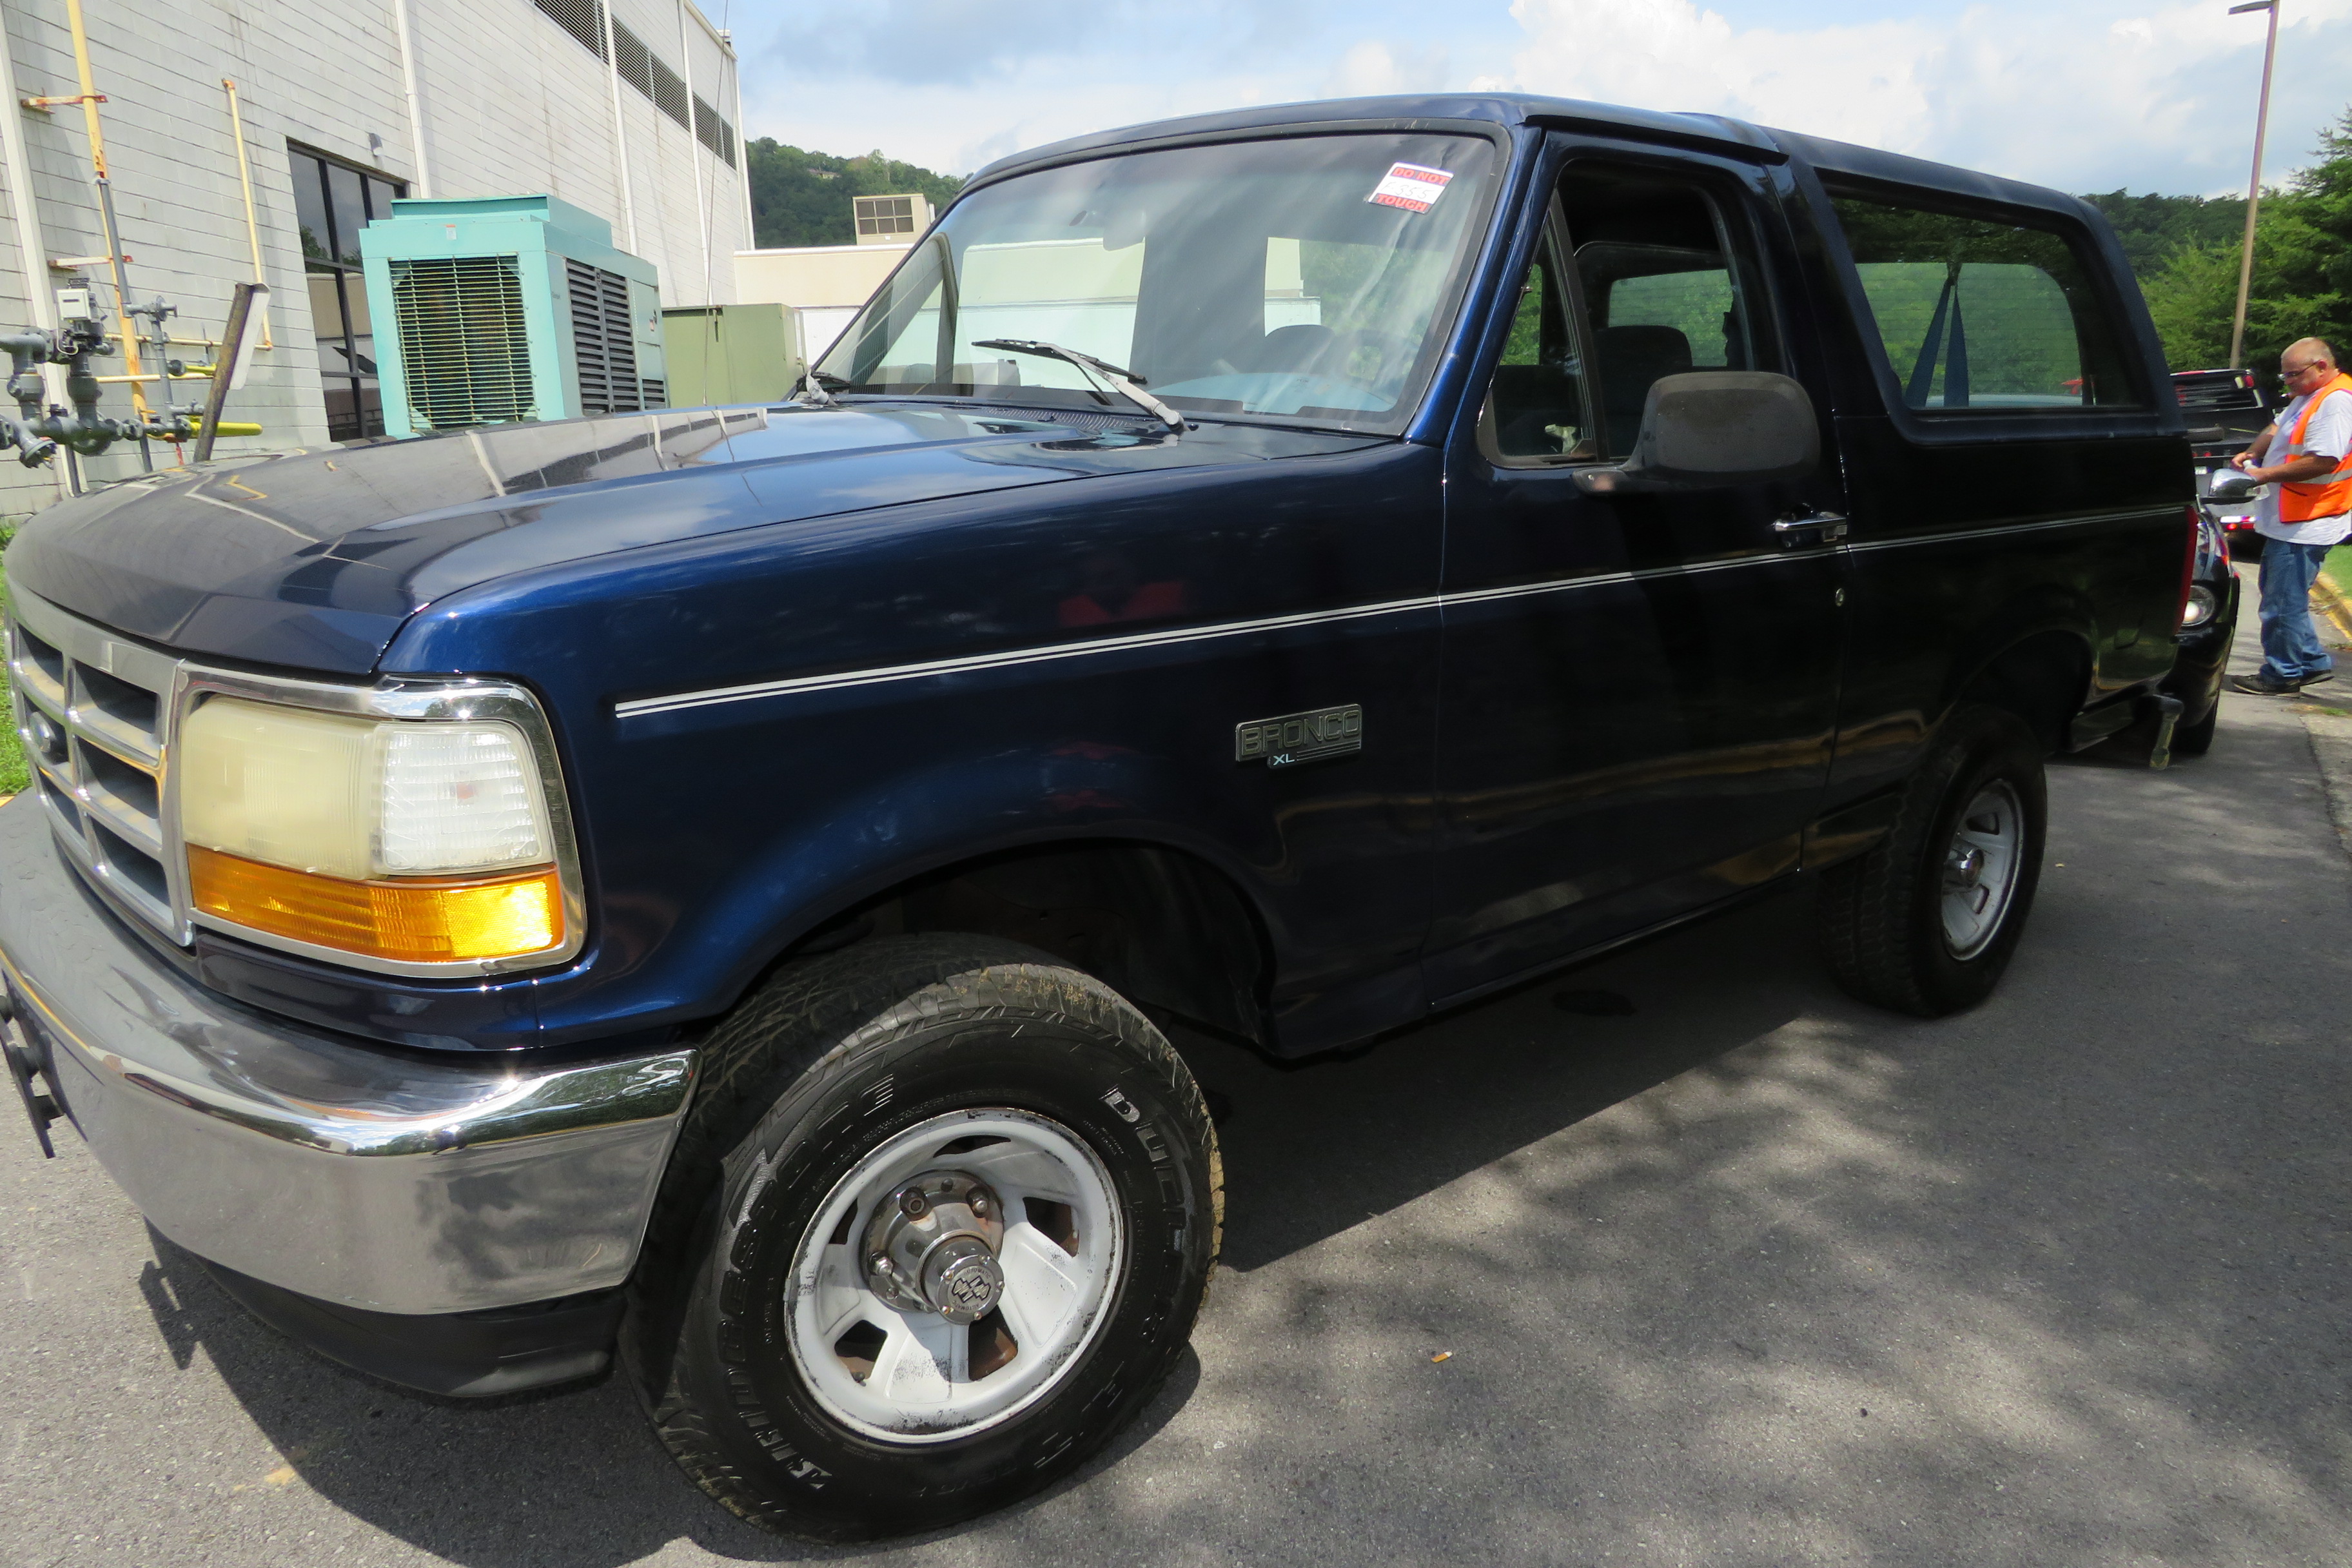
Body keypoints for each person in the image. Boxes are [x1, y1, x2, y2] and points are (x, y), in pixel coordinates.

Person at [2229, 337, 2352, 694]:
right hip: (2293, 518)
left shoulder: (2336, 403)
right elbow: (2277, 427)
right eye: (2284, 377)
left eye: (2294, 375)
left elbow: (2324, 461)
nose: (2288, 383)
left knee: (2281, 604)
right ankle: (2311, 663)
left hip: (2308, 522)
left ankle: (2281, 675)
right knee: (2286, 598)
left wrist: (2263, 475)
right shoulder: (2309, 395)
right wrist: (2252, 451)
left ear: (2322, 367)